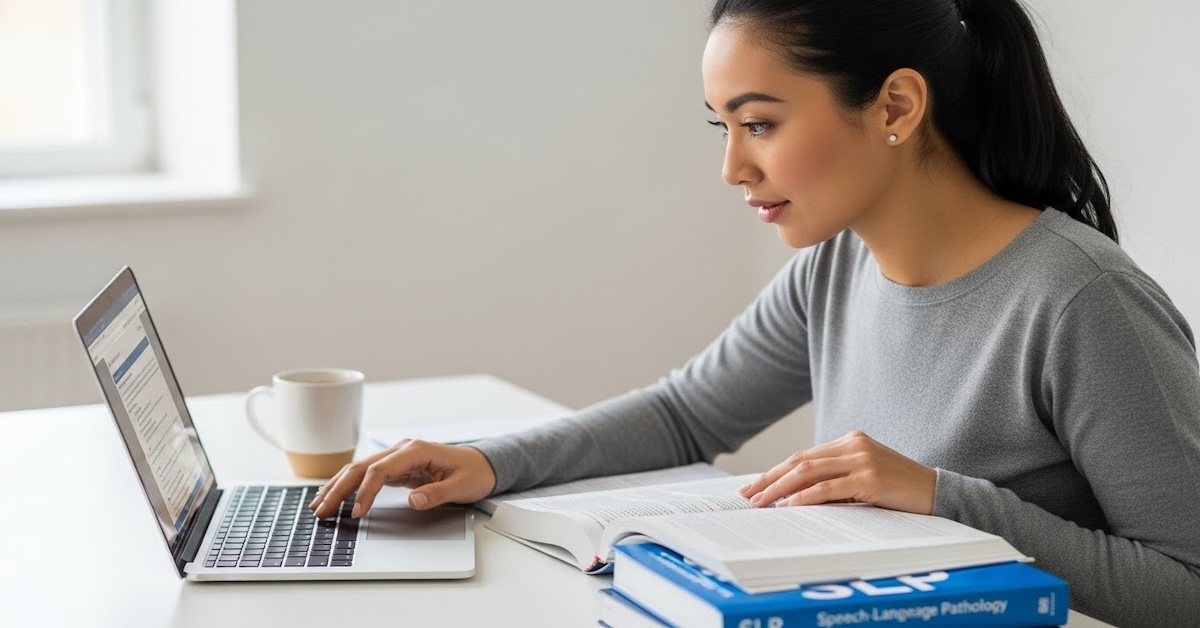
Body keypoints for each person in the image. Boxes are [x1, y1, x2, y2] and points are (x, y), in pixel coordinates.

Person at [311, 0, 1200, 624]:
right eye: (723, 127)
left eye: (761, 124)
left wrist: (942, 499)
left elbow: (1186, 587)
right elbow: (686, 414)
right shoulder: (837, 267)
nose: (733, 168)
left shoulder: (1082, 301)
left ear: (896, 106)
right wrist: (486, 461)